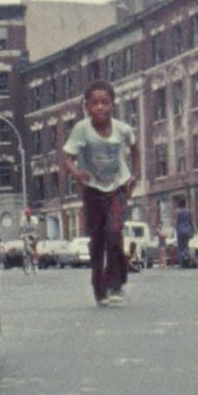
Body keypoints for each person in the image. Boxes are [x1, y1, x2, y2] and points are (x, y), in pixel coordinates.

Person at [62, 80, 140, 307]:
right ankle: (99, 289)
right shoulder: (81, 129)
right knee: (97, 241)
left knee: (114, 231)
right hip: (93, 189)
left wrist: (135, 175)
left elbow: (135, 148)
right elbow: (67, 156)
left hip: (117, 186)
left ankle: (116, 283)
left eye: (104, 102)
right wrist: (76, 173)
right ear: (86, 107)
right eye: (94, 103)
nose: (99, 107)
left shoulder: (123, 129)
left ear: (112, 105)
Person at [174, 199, 194, 268]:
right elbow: (191, 221)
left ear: (179, 205)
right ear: (185, 204)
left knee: (180, 247)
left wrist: (176, 229)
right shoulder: (189, 212)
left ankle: (181, 262)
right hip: (187, 230)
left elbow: (176, 222)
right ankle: (187, 258)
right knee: (186, 246)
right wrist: (192, 230)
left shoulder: (177, 212)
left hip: (180, 231)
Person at [19, 208, 39, 274]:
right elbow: (21, 229)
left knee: (34, 249)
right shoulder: (23, 220)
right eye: (26, 215)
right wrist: (20, 235)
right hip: (25, 235)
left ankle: (35, 263)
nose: (28, 216)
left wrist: (36, 235)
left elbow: (36, 228)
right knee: (25, 250)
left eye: (29, 215)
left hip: (32, 234)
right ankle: (26, 264)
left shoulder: (34, 219)